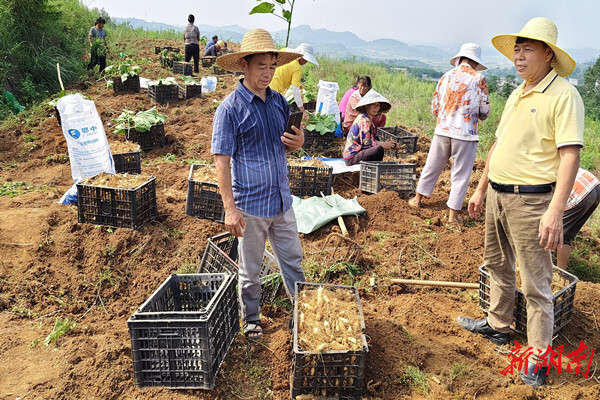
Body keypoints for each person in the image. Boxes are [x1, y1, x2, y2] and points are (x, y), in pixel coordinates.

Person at [460, 17, 584, 388]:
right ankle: (499, 326)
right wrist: (482, 188)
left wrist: (555, 211)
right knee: (497, 264)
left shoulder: (564, 95)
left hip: (531, 202)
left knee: (535, 283)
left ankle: (538, 359)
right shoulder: (519, 92)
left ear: (549, 54)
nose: (519, 55)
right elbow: (499, 144)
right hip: (498, 195)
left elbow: (570, 157)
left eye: (527, 48)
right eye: (516, 48)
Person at [211, 29, 306, 340]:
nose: (267, 73)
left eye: (271, 66)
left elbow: (288, 144)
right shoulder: (230, 109)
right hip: (250, 206)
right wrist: (230, 209)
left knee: (293, 261)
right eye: (261, 66)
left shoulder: (279, 102)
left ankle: (302, 312)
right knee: (250, 271)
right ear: (244, 66)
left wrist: (299, 141)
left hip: (281, 200)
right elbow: (221, 163)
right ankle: (251, 318)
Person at [408, 43, 490, 223]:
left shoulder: (445, 77)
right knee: (460, 174)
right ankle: (453, 216)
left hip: (443, 130)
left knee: (432, 165)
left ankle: (417, 199)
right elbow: (484, 111)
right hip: (465, 133)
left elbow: (435, 107)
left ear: (460, 59)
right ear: (475, 62)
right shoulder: (479, 79)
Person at [558, 168, 600, 269]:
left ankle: (546, 277)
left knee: (552, 234)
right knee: (565, 237)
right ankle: (560, 276)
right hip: (594, 186)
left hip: (579, 191)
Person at [343, 89, 396, 166]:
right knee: (379, 149)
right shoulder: (364, 120)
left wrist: (388, 144)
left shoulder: (368, 119)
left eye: (378, 106)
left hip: (358, 153)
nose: (376, 108)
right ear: (367, 106)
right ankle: (374, 171)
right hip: (352, 156)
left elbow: (371, 140)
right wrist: (383, 145)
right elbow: (366, 144)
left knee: (378, 142)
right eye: (373, 105)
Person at [270, 43, 319, 121]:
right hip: (273, 92)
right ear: (301, 56)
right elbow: (295, 91)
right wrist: (303, 111)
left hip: (265, 83)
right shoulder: (297, 69)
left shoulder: (284, 51)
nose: (306, 62)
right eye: (306, 60)